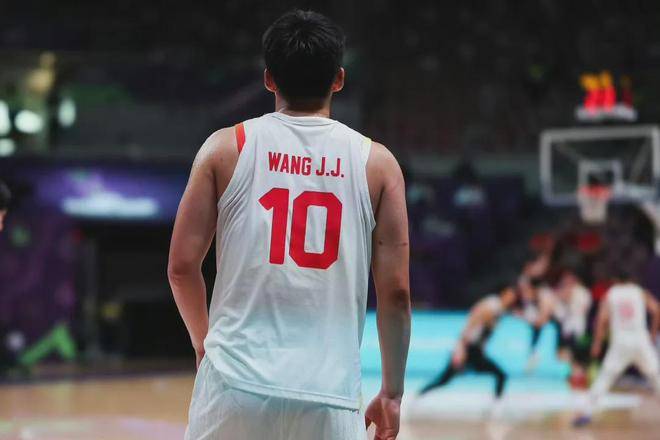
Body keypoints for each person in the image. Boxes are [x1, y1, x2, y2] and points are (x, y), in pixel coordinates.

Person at [168, 10, 411, 440]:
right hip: (329, 398)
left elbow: (181, 268)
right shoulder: (377, 164)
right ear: (338, 79)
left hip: (232, 385)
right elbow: (395, 294)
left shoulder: (225, 148)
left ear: (269, 79)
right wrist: (391, 393)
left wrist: (204, 344)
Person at [574, 272, 660, 426]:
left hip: (621, 342)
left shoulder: (612, 294)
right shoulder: (639, 292)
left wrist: (597, 343)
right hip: (641, 341)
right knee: (656, 376)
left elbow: (601, 319)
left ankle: (587, 412)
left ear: (615, 280)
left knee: (605, 377)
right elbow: (656, 309)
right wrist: (653, 333)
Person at [419, 286, 518, 406]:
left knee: (500, 375)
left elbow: (483, 329)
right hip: (469, 348)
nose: (512, 299)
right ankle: (418, 397)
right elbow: (474, 321)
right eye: (510, 295)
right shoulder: (493, 305)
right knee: (445, 379)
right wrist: (461, 348)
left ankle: (496, 407)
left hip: (474, 350)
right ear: (504, 293)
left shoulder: (498, 308)